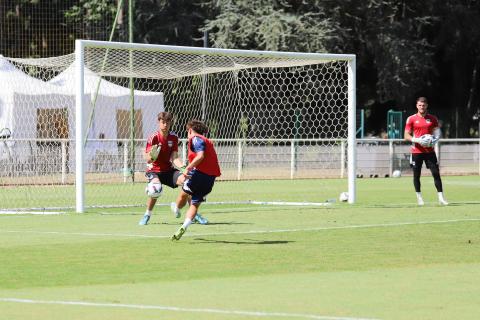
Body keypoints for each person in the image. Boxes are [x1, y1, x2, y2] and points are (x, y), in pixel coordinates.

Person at [139, 112, 208, 225]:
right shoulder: (154, 138)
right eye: (163, 122)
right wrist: (151, 157)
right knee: (156, 188)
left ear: (171, 123)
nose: (165, 124)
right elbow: (147, 158)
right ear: (159, 123)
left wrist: (184, 168)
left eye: (167, 122)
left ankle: (194, 214)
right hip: (154, 171)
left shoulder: (174, 137)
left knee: (189, 182)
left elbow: (174, 157)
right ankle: (147, 214)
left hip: (168, 171)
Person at [171, 119, 221, 241]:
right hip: (210, 178)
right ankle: (184, 226)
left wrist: (187, 168)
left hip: (198, 174)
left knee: (183, 194)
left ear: (190, 130)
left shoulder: (196, 139)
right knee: (194, 204)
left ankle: (176, 209)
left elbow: (200, 156)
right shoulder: (207, 141)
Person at [404, 97, 448, 206]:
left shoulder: (433, 119)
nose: (421, 107)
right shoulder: (411, 119)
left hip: (430, 152)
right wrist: (417, 139)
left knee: (436, 174)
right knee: (416, 175)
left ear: (426, 106)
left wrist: (435, 139)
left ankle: (441, 198)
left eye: (423, 105)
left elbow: (437, 132)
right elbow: (406, 135)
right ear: (416, 106)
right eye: (419, 105)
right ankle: (419, 198)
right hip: (417, 152)